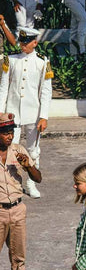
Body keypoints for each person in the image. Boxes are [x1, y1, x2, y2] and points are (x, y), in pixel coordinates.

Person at [0, 27, 53, 199]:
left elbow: (46, 91)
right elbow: (3, 88)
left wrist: (43, 116)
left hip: (33, 113)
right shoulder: (12, 59)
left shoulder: (42, 61)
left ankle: (31, 183)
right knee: (9, 148)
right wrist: (1, 112)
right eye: (21, 41)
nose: (22, 45)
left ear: (35, 43)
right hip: (12, 113)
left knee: (33, 150)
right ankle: (10, 182)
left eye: (26, 42)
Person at [0, 112, 41, 270]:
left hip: (17, 210)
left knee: (18, 259)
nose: (9, 136)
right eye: (5, 133)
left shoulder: (19, 151)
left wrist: (28, 166)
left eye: (11, 132)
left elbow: (38, 178)